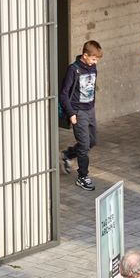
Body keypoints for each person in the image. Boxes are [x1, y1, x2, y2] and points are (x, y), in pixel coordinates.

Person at [60, 39, 103, 191]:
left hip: (90, 110)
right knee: (84, 145)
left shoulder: (93, 67)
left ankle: (68, 154)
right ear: (85, 55)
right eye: (93, 58)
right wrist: (71, 113)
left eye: (96, 59)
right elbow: (64, 94)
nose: (95, 61)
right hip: (78, 112)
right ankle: (82, 176)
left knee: (92, 141)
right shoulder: (74, 69)